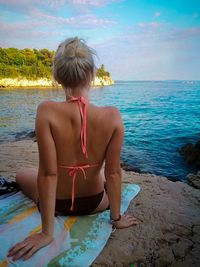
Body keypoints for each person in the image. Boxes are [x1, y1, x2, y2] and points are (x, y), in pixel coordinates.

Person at [7, 37, 138, 261]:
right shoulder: (112, 116)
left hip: (58, 205)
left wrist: (47, 233)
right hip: (97, 203)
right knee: (105, 179)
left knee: (22, 174)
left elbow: (48, 174)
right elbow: (113, 173)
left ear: (57, 77)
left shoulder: (46, 111)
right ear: (91, 74)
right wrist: (116, 218)